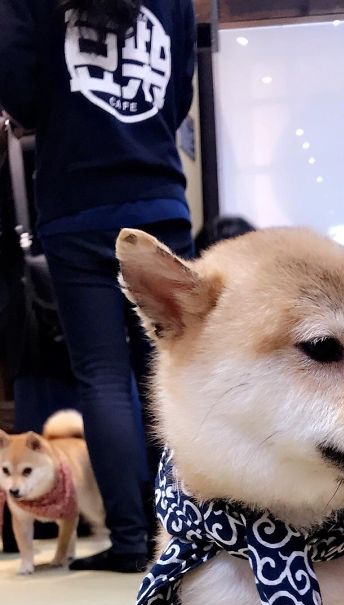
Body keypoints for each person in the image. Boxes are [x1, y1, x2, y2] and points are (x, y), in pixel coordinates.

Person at [0, 0, 196, 572]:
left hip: (76, 205)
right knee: (167, 369)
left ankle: (131, 542)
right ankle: (182, 530)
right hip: (159, 198)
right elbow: (177, 92)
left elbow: (18, 88)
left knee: (103, 379)